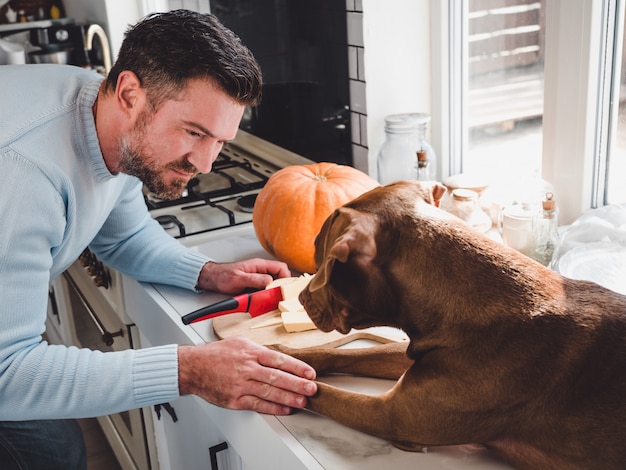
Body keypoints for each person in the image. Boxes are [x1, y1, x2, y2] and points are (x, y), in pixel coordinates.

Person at [0, 10, 317, 469]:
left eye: (220, 143)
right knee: (50, 452)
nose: (205, 164)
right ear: (130, 93)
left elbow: (122, 232)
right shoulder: (25, 177)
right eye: (194, 133)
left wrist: (207, 272)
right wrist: (189, 369)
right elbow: (8, 373)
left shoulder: (107, 115)